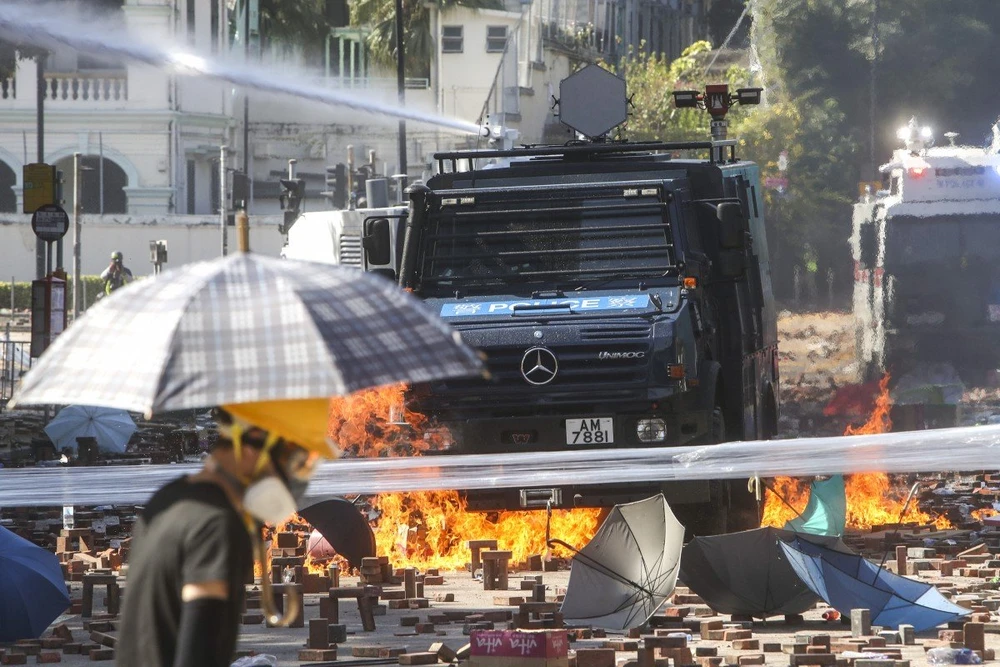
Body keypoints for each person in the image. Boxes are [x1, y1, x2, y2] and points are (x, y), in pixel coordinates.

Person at [115, 408, 326, 667]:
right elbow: (198, 650)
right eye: (294, 463)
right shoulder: (218, 525)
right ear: (251, 448)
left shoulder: (168, 498)